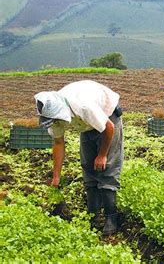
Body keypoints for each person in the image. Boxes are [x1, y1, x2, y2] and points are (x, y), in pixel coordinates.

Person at [35, 80, 123, 235]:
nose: (55, 123)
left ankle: (111, 217)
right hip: (86, 126)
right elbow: (58, 143)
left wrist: (102, 155)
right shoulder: (53, 113)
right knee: (88, 166)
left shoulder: (83, 106)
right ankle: (93, 215)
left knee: (107, 167)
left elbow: (109, 128)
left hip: (108, 118)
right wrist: (56, 177)